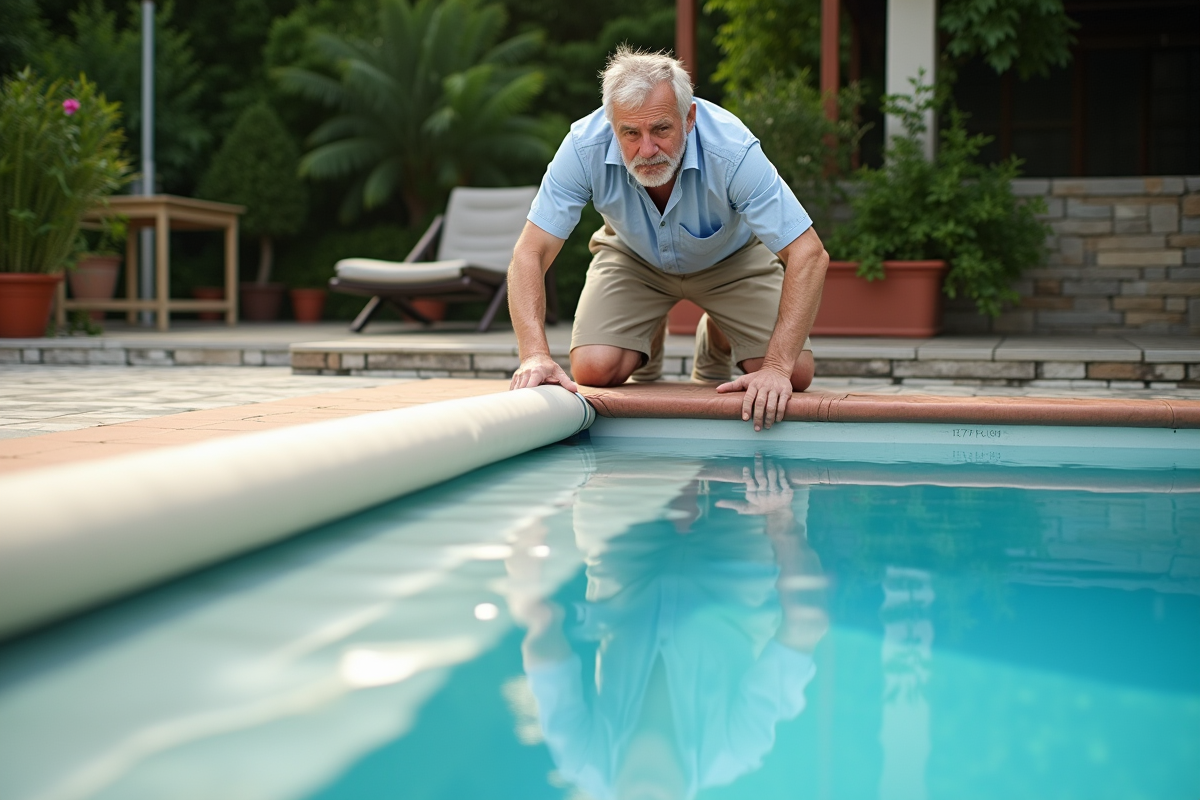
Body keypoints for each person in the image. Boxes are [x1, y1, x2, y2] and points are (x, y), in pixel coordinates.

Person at [507, 46, 829, 431]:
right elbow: (530, 251)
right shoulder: (581, 147)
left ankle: (719, 333)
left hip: (732, 260)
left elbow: (809, 253)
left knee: (795, 375)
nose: (647, 149)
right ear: (612, 125)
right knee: (594, 367)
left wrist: (776, 367)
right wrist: (534, 355)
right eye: (631, 133)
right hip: (632, 257)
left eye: (661, 129)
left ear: (688, 116)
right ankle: (648, 329)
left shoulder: (732, 150)